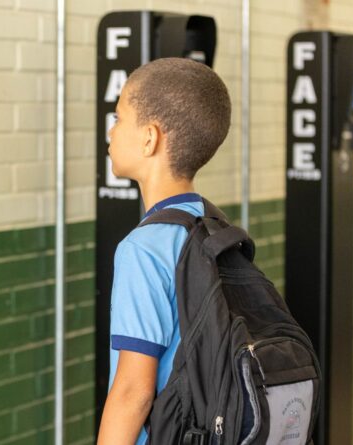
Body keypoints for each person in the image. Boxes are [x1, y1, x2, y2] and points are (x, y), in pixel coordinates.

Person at [96, 58, 231, 445]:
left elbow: (133, 393)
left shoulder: (143, 249)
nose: (111, 131)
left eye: (119, 118)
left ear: (149, 138)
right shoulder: (214, 224)